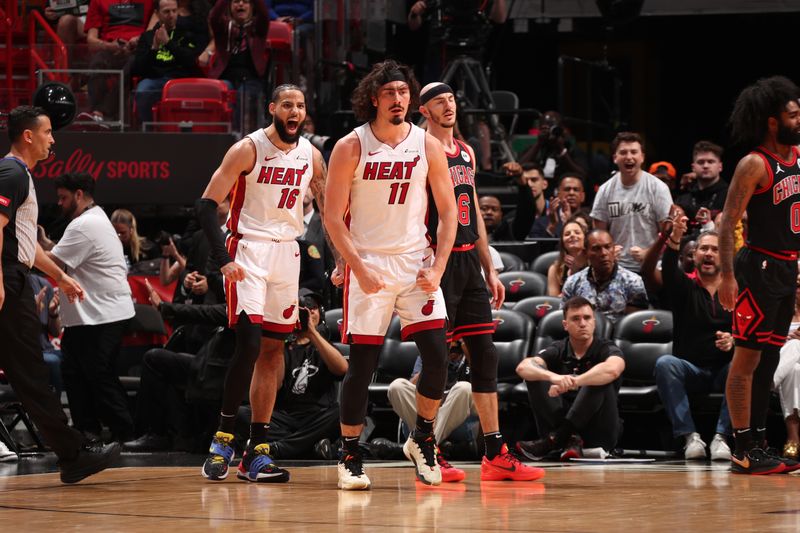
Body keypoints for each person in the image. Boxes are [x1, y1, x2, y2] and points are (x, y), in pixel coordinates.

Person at [323, 60, 456, 490]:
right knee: (363, 365)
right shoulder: (350, 146)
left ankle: (422, 438)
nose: (398, 100)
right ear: (373, 99)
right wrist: (356, 266)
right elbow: (331, 216)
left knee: (438, 357)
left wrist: (437, 267)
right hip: (370, 262)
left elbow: (449, 210)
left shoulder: (426, 144)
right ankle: (349, 456)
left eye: (403, 92)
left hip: (416, 261)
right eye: (390, 93)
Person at [196, 84, 330, 483]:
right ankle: (222, 440)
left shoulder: (313, 157)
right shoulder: (247, 149)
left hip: (287, 253)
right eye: (287, 104)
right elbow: (205, 206)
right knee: (250, 343)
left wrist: (341, 262)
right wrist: (223, 260)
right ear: (272, 108)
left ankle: (257, 451)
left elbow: (329, 212)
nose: (295, 111)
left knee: (274, 351)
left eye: (301, 105)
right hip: (248, 251)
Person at [418, 81, 544, 481]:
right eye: (439, 101)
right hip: (436, 260)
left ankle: (494, 453)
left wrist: (490, 266)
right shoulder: (418, 149)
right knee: (436, 358)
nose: (448, 105)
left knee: (485, 355)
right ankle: (426, 447)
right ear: (424, 110)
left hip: (469, 259)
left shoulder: (466, 151)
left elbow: (469, 205)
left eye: (451, 99)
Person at [0, 105, 119, 483]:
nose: (54, 139)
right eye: (48, 131)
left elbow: (25, 242)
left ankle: (71, 452)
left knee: (30, 371)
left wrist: (59, 278)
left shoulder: (21, 176)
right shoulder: (11, 172)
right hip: (7, 279)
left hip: (13, 275)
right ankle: (71, 454)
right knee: (30, 372)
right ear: (29, 135)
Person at [718, 75, 800, 475]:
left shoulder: (798, 156)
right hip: (758, 268)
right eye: (792, 114)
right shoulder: (754, 163)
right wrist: (727, 276)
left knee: (769, 357)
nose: (799, 119)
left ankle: (760, 444)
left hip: (787, 267)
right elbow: (727, 221)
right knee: (746, 361)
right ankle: (742, 446)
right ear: (772, 121)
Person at [42, 172, 137, 443]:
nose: (59, 203)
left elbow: (55, 262)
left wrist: (23, 250)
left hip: (102, 315)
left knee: (98, 375)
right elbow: (62, 255)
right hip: (93, 314)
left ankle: (125, 434)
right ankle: (88, 431)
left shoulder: (84, 225)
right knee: (75, 373)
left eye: (63, 197)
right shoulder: (94, 219)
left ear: (79, 195)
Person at [653, 216, 733, 461]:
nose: (709, 253)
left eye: (715, 249)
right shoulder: (684, 287)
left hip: (724, 370)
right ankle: (690, 437)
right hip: (691, 370)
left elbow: (750, 330)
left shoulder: (736, 290)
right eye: (704, 249)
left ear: (725, 257)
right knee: (665, 364)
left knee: (744, 364)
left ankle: (722, 438)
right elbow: (667, 270)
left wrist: (734, 339)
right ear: (695, 255)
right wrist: (674, 238)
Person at [515, 296, 625, 460]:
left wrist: (575, 381)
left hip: (598, 432)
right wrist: (554, 378)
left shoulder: (606, 347)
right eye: (576, 319)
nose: (582, 323)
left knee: (598, 377)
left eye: (587, 318)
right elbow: (523, 367)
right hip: (559, 423)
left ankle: (557, 438)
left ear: (594, 322)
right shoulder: (559, 347)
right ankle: (570, 438)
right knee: (536, 375)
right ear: (565, 325)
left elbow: (613, 370)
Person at [260, 290, 347, 459]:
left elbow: (342, 369)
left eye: (313, 307)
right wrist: (282, 335)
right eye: (304, 307)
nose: (309, 311)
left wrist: (312, 333)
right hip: (285, 416)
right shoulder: (282, 347)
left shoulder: (323, 345)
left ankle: (281, 448)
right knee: (244, 414)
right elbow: (275, 385)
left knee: (341, 412)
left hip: (317, 416)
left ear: (320, 314)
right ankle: (310, 446)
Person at [591, 132, 673, 272]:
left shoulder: (658, 188)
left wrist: (649, 252)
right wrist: (608, 252)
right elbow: (598, 234)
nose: (629, 157)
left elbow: (669, 234)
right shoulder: (605, 190)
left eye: (634, 152)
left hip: (651, 267)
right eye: (623, 152)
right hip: (615, 268)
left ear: (642, 157)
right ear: (615, 158)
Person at [200, 0, 270, 133]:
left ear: (251, 7)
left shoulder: (258, 27)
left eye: (246, 2)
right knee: (223, 92)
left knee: (243, 94)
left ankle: (240, 136)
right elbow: (214, 16)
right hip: (226, 79)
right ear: (230, 7)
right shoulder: (224, 28)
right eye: (236, 2)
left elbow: (264, 14)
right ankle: (222, 135)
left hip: (251, 79)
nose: (241, 5)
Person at [130, 0, 204, 125]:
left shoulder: (187, 35)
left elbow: (191, 61)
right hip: (155, 80)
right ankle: (148, 132)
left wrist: (168, 43)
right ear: (157, 13)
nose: (171, 15)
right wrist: (154, 48)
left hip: (180, 81)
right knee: (144, 89)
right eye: (166, 11)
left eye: (174, 11)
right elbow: (138, 69)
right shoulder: (147, 37)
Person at [84, 0, 154, 121]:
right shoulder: (98, 1)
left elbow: (152, 31)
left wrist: (138, 40)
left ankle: (102, 112)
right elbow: (91, 40)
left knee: (130, 65)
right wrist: (109, 46)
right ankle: (95, 113)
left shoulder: (150, 2)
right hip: (110, 48)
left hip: (137, 49)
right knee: (97, 63)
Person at [561, 228, 648, 325]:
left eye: (608, 247)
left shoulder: (632, 281)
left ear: (614, 249)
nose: (603, 253)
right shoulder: (573, 282)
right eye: (596, 249)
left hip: (617, 337)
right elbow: (565, 320)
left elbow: (633, 325)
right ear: (586, 253)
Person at [773, 273, 800, 460]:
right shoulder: (776, 312)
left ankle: (766, 383)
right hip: (784, 364)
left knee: (796, 345)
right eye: (796, 284)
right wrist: (781, 340)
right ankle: (793, 437)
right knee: (795, 370)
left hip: (776, 369)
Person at [676, 141, 729, 222]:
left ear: (720, 166)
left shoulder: (730, 196)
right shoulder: (683, 199)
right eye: (701, 162)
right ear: (693, 167)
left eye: (711, 162)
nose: (705, 166)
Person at [529, 173, 587, 239]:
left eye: (576, 190)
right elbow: (539, 248)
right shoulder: (539, 223)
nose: (571, 193)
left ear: (583, 196)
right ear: (558, 194)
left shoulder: (590, 221)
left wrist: (570, 222)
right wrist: (552, 226)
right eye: (567, 189)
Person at [546, 219, 587, 297]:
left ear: (585, 238)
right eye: (567, 234)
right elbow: (554, 301)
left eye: (577, 232)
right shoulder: (555, 269)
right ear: (563, 242)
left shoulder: (594, 263)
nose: (572, 235)